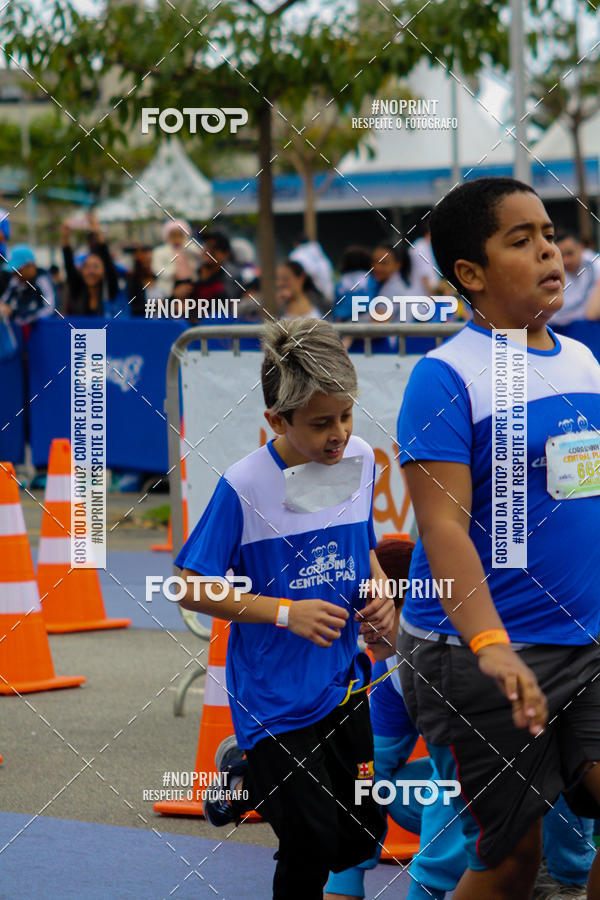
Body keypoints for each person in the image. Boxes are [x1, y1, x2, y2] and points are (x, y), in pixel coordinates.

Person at [395, 176, 600, 900]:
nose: (549, 249)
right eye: (522, 239)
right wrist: (491, 644)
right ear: (470, 275)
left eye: (549, 233)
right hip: (476, 653)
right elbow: (441, 526)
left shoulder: (582, 363)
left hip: (585, 643)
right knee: (513, 861)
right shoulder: (446, 376)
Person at [175, 317, 394, 899]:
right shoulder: (243, 485)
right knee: (312, 843)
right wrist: (284, 612)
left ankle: (247, 780)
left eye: (346, 416)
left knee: (361, 836)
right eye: (321, 423)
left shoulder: (362, 462)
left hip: (343, 685)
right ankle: (261, 767)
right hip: (273, 697)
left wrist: (380, 595)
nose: (338, 435)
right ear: (276, 420)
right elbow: (190, 586)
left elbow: (363, 548)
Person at [61, 215, 120, 316]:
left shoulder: (109, 289)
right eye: (87, 267)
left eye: (96, 267)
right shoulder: (77, 290)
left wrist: (97, 231)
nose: (91, 271)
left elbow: (107, 259)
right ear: (82, 271)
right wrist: (65, 235)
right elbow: (69, 264)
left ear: (103, 271)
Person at [151, 219, 201, 299]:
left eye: (180, 235)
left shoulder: (189, 246)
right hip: (171, 283)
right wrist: (170, 274)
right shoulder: (160, 251)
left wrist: (186, 244)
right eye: (173, 235)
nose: (176, 238)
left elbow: (199, 254)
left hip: (191, 281)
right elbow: (156, 268)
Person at [289, 233, 335, 308]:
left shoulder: (296, 254)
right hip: (329, 293)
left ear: (296, 244)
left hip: (314, 295)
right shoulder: (318, 251)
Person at [331, 246, 372, 323]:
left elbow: (335, 304)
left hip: (344, 321)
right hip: (367, 321)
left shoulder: (341, 281)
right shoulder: (371, 279)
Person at [409, 224, 438, 296]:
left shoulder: (423, 245)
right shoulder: (421, 248)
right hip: (422, 298)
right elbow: (424, 276)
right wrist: (433, 298)